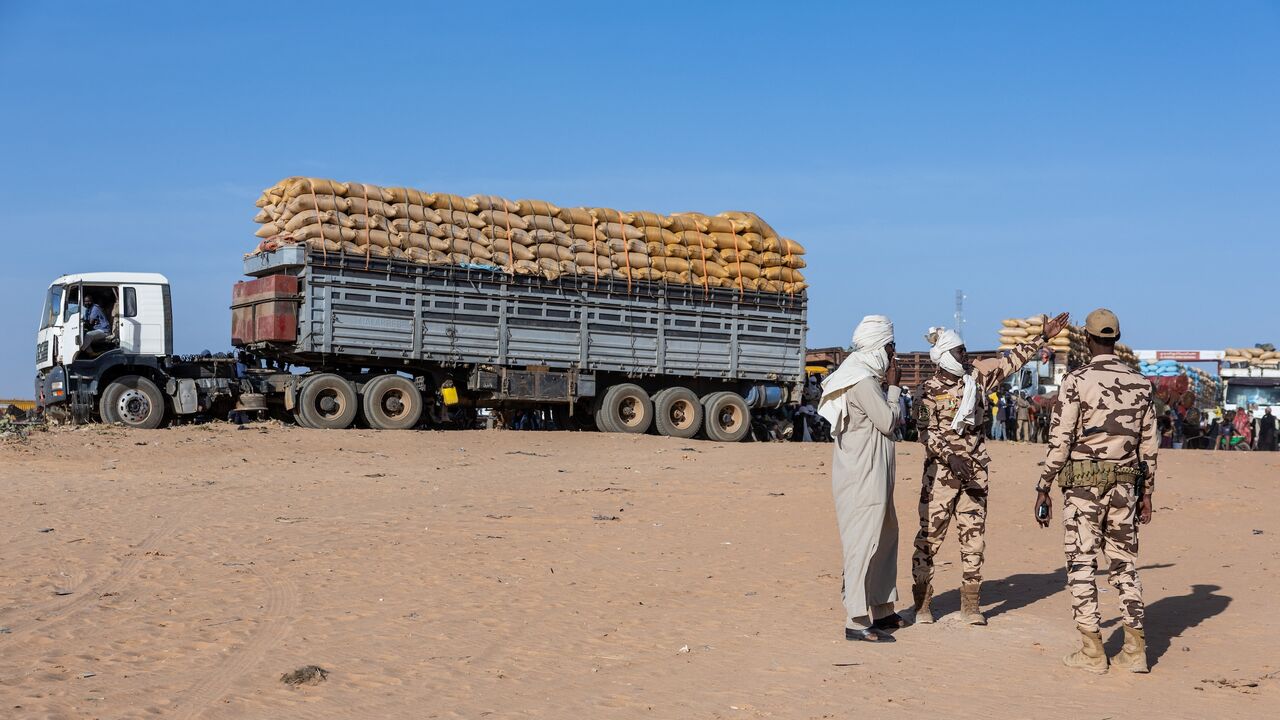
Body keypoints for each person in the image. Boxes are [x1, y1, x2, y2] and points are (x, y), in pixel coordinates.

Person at [911, 314, 1067, 625]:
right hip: (940, 477)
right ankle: (922, 604)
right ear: (944, 356)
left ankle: (971, 605)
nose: (965, 356)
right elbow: (925, 433)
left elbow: (1012, 362)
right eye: (959, 352)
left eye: (965, 350)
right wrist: (949, 455)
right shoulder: (925, 390)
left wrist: (1042, 338)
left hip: (975, 475)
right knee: (929, 539)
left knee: (974, 540)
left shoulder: (978, 379)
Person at [1034, 308, 1158, 674]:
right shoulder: (1141, 384)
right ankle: (1135, 651)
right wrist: (1147, 492)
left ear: (1087, 340)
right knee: (1124, 565)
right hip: (1125, 486)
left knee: (1082, 563)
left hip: (1084, 487)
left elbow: (1060, 440)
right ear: (1116, 339)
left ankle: (1091, 651)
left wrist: (1043, 485)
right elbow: (1149, 446)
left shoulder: (1076, 380)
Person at [818, 315, 905, 642]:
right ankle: (855, 620)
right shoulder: (863, 383)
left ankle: (882, 610)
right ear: (877, 347)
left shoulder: (861, 377)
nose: (893, 355)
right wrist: (894, 388)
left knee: (884, 538)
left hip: (874, 477)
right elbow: (887, 421)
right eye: (890, 347)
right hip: (862, 478)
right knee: (863, 544)